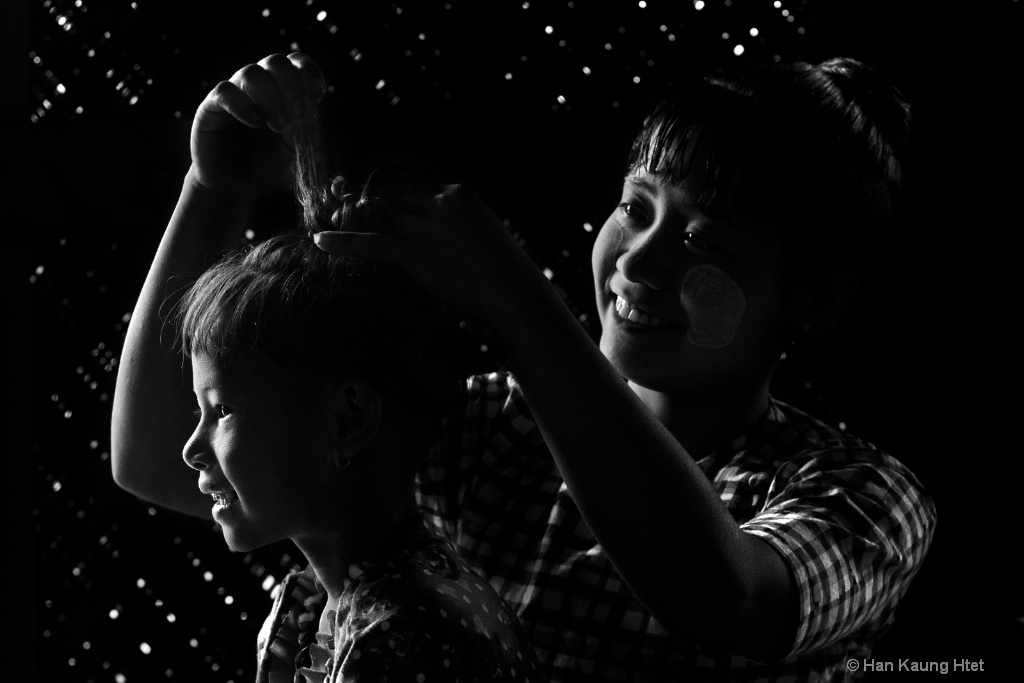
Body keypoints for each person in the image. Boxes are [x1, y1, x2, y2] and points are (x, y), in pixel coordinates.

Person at [111, 52, 935, 681]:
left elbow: (724, 601)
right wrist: (211, 188)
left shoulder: (860, 496)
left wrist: (512, 297)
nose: (637, 264)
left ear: (815, 302)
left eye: (704, 244)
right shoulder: (483, 429)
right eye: (634, 208)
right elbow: (155, 463)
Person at [115, 55, 544, 682]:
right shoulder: (321, 600)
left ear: (346, 421)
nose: (190, 449)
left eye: (222, 410)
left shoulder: (402, 639)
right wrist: (207, 187)